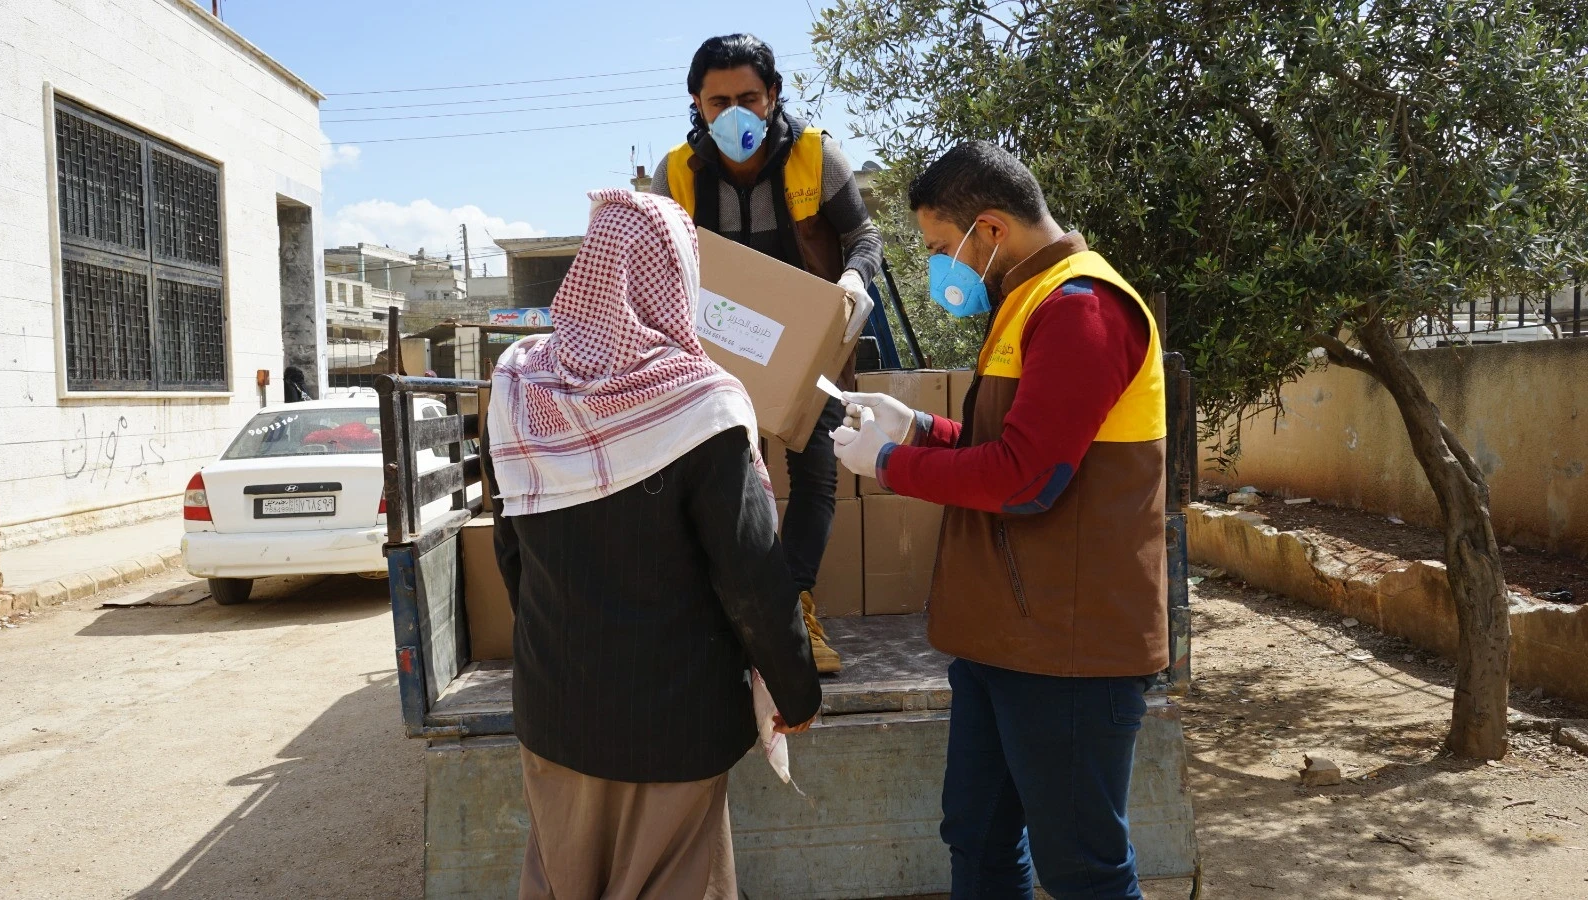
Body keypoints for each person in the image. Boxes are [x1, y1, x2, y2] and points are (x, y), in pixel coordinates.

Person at [832, 142, 1167, 899]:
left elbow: (1027, 480)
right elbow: (1011, 449)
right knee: (978, 837)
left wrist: (889, 465)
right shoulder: (1031, 300)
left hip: (1070, 645)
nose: (938, 266)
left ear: (989, 230)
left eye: (941, 247)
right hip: (1004, 635)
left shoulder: (1083, 309)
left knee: (1082, 866)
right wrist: (915, 427)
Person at [483, 189, 822, 899]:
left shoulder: (518, 385)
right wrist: (795, 688)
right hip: (673, 723)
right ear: (675, 280)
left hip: (553, 709)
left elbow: (512, 552)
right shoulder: (700, 405)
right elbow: (751, 575)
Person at [650, 32, 882, 674]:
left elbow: (862, 232)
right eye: (718, 100)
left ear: (773, 95)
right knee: (719, 483)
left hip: (810, 352)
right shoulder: (678, 172)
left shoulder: (815, 155)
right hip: (714, 357)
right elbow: (654, 259)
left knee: (815, 478)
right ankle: (733, 616)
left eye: (748, 98)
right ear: (697, 103)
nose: (734, 113)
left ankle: (793, 606)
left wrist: (855, 277)